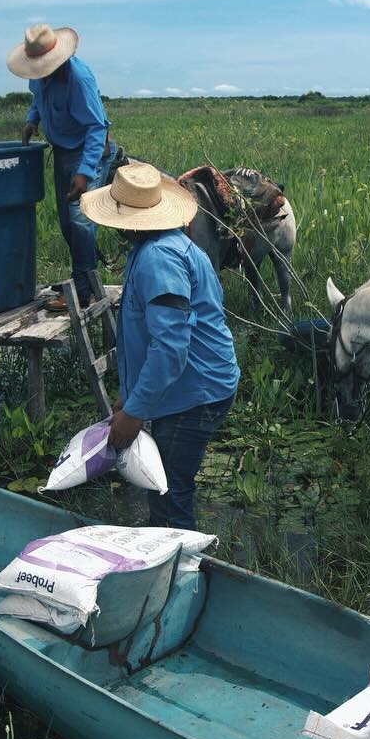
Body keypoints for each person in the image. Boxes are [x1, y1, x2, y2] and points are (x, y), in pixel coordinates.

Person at [79, 163, 239, 530]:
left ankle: (182, 572)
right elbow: (154, 338)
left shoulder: (157, 258)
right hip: (197, 383)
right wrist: (131, 395)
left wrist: (134, 413)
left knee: (169, 494)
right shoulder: (160, 245)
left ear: (129, 220)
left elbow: (169, 349)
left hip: (195, 392)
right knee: (170, 486)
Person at [7, 23, 112, 312]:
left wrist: (84, 172)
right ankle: (84, 279)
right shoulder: (39, 78)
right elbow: (38, 100)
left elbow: (96, 127)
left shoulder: (79, 78)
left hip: (87, 152)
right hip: (64, 151)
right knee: (67, 223)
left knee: (80, 221)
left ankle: (81, 291)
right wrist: (32, 120)